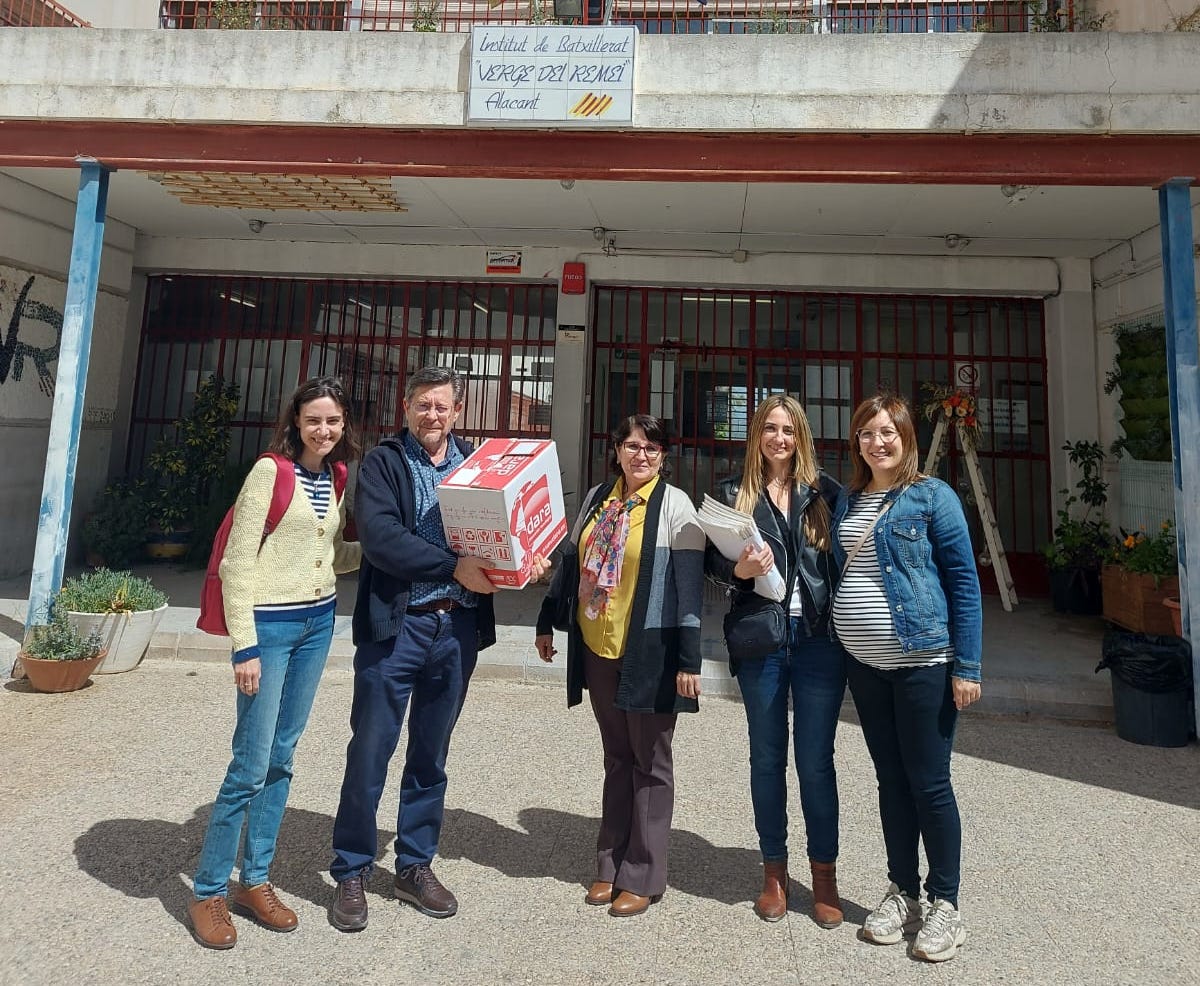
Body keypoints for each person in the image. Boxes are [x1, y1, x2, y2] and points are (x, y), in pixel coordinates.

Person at [328, 365, 545, 930]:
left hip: (456, 632)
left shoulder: (479, 466)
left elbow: (506, 533)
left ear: (457, 411)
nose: (433, 415)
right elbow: (379, 539)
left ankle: (414, 865)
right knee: (370, 750)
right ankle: (351, 869)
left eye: (443, 407)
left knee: (431, 755)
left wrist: (528, 560)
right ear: (407, 408)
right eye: (424, 405)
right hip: (398, 630)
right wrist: (454, 566)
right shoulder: (383, 463)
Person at [189, 376, 362, 950]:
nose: (324, 429)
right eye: (314, 420)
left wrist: (385, 550)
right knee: (249, 763)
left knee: (283, 758)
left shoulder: (334, 475)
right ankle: (209, 890)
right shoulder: (271, 472)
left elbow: (331, 555)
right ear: (295, 422)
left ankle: (255, 880)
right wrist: (245, 644)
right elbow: (239, 563)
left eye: (333, 420)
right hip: (271, 626)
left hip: (317, 623)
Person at [831, 393, 982, 963]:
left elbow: (965, 584)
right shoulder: (849, 500)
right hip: (865, 666)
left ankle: (947, 903)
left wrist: (967, 667)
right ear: (857, 443)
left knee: (930, 782)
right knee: (890, 780)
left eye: (888, 432)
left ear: (906, 437)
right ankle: (904, 893)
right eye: (867, 434)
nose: (878, 442)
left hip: (925, 662)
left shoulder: (931, 496)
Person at [534, 414, 705, 918]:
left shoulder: (676, 507)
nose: (641, 456)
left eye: (652, 448)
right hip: (598, 646)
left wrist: (689, 658)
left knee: (651, 762)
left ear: (664, 456)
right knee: (617, 756)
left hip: (650, 650)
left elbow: (690, 589)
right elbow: (571, 561)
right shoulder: (597, 499)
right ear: (616, 450)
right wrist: (547, 619)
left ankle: (645, 872)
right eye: (632, 445)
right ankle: (610, 862)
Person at [705, 394, 846, 926]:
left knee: (816, 761)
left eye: (788, 430)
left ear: (801, 435)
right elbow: (714, 567)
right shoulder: (731, 494)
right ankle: (773, 872)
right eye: (770, 429)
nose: (779, 439)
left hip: (817, 641)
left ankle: (824, 875)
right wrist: (739, 569)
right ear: (756, 436)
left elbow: (844, 564)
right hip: (762, 640)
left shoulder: (825, 494)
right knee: (766, 757)